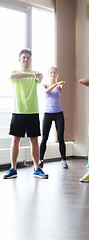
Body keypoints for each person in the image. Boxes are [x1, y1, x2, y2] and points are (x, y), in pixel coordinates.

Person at [3, 48, 48, 179]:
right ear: (20, 59)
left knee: (34, 140)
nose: (26, 60)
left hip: (32, 111)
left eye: (28, 58)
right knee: (15, 140)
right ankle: (13, 169)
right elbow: (11, 77)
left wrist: (38, 76)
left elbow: (40, 78)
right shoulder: (15, 72)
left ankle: (37, 169)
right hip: (18, 111)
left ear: (31, 59)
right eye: (24, 57)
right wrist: (30, 75)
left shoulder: (36, 73)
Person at [39, 67, 68, 169]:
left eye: (54, 73)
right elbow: (46, 91)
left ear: (57, 74)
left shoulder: (58, 86)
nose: (52, 74)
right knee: (44, 138)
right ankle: (40, 160)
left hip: (58, 114)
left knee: (61, 137)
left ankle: (63, 160)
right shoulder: (45, 85)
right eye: (51, 73)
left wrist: (62, 83)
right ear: (48, 74)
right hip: (47, 114)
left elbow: (62, 85)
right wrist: (56, 83)